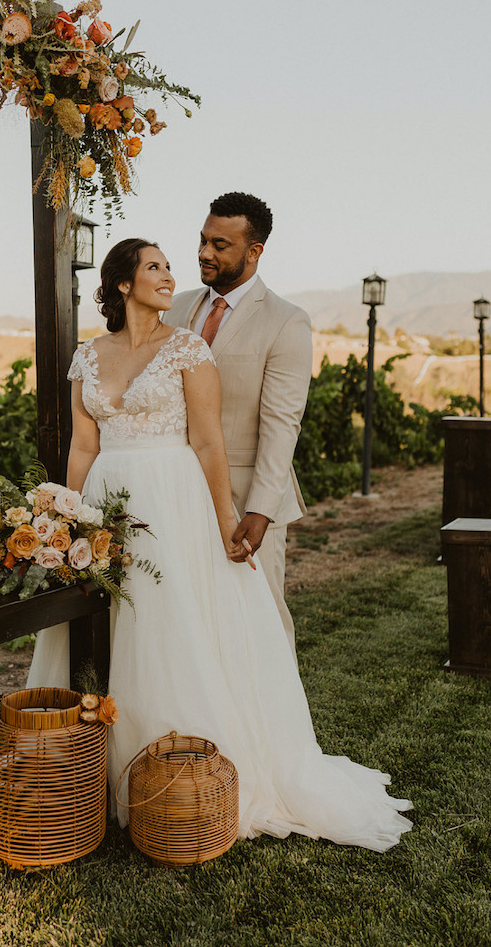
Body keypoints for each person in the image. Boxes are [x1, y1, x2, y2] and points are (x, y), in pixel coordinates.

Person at [28, 238, 412, 851]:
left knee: (173, 624)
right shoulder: (87, 357)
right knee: (110, 623)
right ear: (123, 283)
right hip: (107, 500)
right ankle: (91, 768)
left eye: (167, 267)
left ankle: (181, 771)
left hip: (173, 502)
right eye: (154, 267)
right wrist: (69, 517)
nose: (169, 275)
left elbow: (208, 444)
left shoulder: (187, 349)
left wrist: (226, 518)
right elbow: (82, 446)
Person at [166, 192, 312, 662]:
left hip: (247, 497)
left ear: (254, 252)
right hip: (174, 491)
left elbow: (281, 424)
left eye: (220, 245)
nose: (205, 253)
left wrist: (262, 510)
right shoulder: (173, 308)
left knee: (259, 617)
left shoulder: (286, 321)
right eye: (203, 240)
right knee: (188, 619)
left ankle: (275, 723)